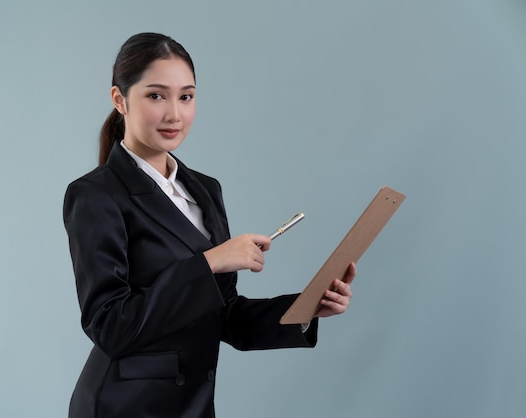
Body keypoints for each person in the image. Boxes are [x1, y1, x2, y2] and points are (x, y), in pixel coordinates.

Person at [63, 32, 356, 418]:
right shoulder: (95, 195)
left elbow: (225, 316)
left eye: (186, 96)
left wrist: (305, 309)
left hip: (193, 407)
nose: (174, 114)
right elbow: (109, 327)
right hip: (123, 407)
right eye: (156, 96)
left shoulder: (205, 190)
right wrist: (209, 262)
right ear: (120, 99)